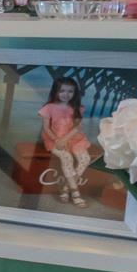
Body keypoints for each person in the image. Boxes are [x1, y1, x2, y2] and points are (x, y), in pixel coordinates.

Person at [37, 73, 96, 206]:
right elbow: (46, 128)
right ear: (56, 91)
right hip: (53, 138)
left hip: (74, 138)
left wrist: (65, 139)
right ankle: (75, 192)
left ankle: (65, 187)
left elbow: (76, 128)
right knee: (67, 157)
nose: (66, 94)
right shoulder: (49, 108)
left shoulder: (77, 108)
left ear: (75, 93)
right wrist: (58, 140)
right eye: (62, 90)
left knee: (85, 159)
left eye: (70, 91)